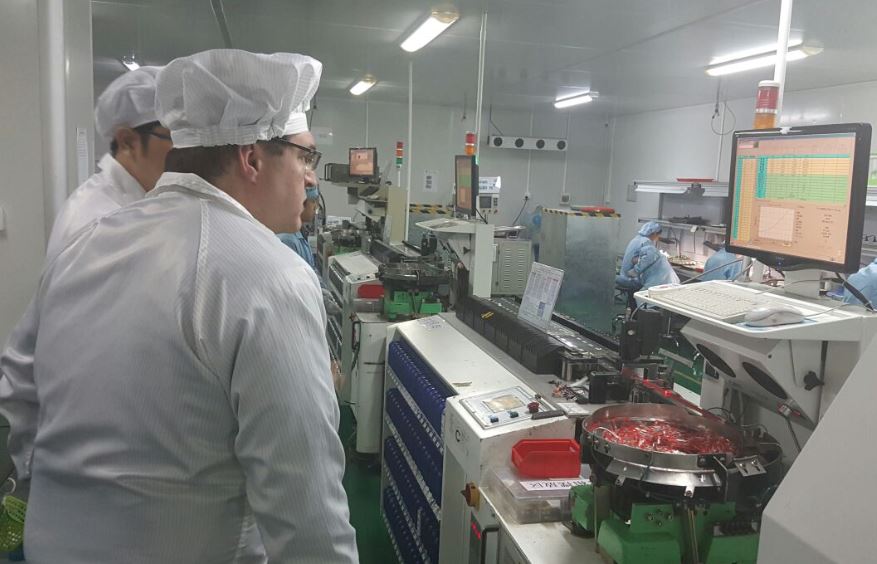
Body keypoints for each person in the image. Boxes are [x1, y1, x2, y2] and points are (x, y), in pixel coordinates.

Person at [0, 49, 358, 564]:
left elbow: (20, 386)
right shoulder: (270, 275)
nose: (311, 179)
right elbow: (306, 511)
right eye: (305, 157)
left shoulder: (87, 243)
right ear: (252, 158)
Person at [45, 66, 172, 262]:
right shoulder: (99, 225)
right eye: (175, 138)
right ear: (127, 142)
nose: (187, 150)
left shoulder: (137, 200)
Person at [278, 185, 319, 269]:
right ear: (301, 204)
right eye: (313, 201)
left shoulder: (299, 233)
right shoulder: (288, 240)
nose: (315, 207)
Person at [616, 221, 662, 290]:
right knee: (656, 284)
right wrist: (635, 271)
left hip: (623, 276)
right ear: (654, 233)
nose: (657, 239)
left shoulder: (637, 238)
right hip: (631, 280)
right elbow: (648, 259)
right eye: (658, 236)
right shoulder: (646, 242)